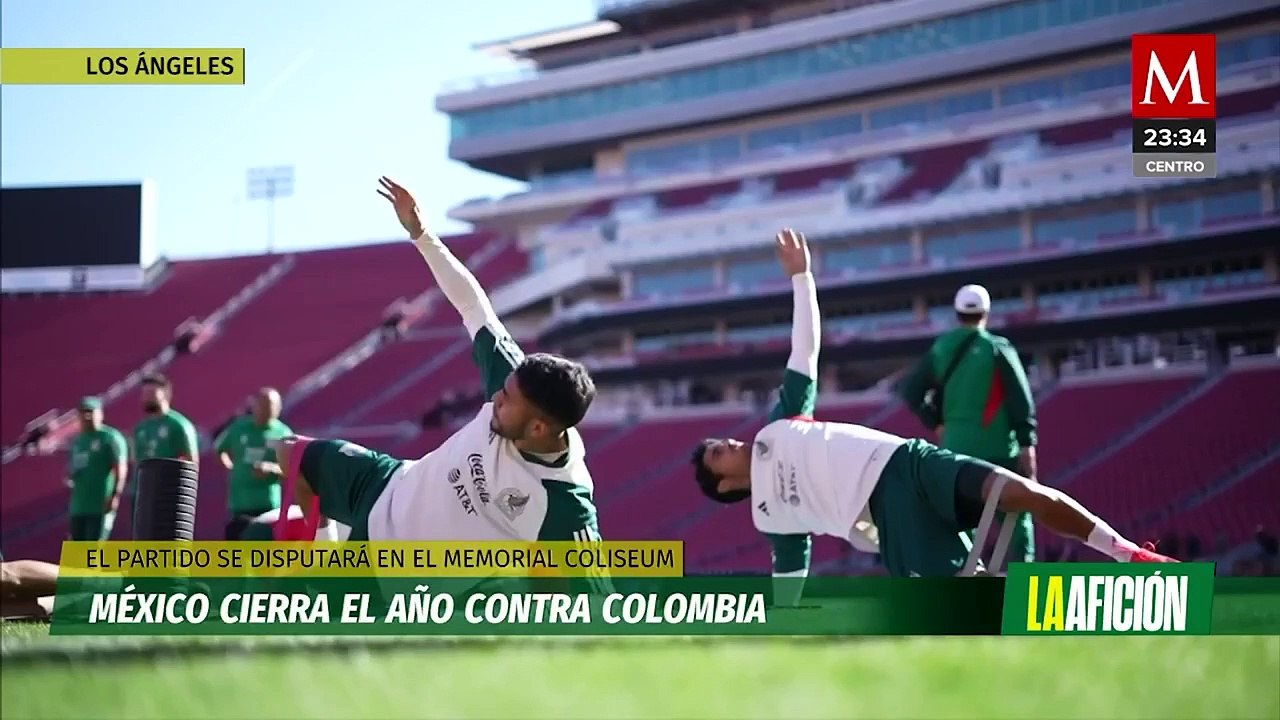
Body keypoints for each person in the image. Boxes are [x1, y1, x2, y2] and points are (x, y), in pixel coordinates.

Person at [689, 229, 1176, 600]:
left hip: (914, 462)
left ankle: (1128, 553)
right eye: (718, 455)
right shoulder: (771, 515)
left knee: (1021, 493)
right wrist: (784, 623)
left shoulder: (780, 423)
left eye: (721, 442)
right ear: (726, 486)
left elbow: (806, 349)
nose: (729, 444)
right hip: (890, 515)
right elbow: (789, 576)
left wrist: (802, 277)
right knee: (959, 602)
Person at [270, 178, 603, 555]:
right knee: (288, 453)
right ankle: (321, 565)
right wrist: (422, 234)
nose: (497, 398)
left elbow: (594, 594)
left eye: (507, 400)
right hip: (386, 483)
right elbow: (475, 306)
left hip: (393, 572)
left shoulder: (562, 503)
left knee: (337, 608)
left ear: (539, 427)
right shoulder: (514, 379)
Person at [896, 283, 1038, 569]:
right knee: (1015, 518)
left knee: (962, 520)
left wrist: (936, 423)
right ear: (986, 312)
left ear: (957, 313)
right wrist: (1027, 444)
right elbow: (1020, 400)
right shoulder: (997, 349)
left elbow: (911, 391)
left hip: (956, 452)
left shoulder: (941, 348)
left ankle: (968, 581)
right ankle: (1021, 580)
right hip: (999, 451)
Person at [215, 387, 293, 540]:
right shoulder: (238, 428)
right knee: (236, 556)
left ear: (278, 408)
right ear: (254, 406)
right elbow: (219, 449)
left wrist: (272, 468)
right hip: (239, 504)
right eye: (262, 405)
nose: (265, 410)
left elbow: (292, 468)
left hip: (268, 505)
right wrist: (231, 468)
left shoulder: (283, 434)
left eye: (270, 406)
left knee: (265, 556)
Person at [130, 373, 200, 536]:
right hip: (141, 493)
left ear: (164, 394)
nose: (146, 398)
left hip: (167, 496)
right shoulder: (140, 428)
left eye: (151, 393)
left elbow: (191, 462)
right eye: (144, 394)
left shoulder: (178, 425)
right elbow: (136, 460)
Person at [65, 397, 129, 542]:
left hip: (100, 505)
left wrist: (114, 495)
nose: (86, 416)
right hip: (79, 505)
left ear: (100, 414)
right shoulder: (77, 441)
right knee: (75, 554)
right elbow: (72, 468)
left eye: (90, 412)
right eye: (83, 412)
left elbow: (120, 468)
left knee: (93, 551)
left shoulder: (110, 438)